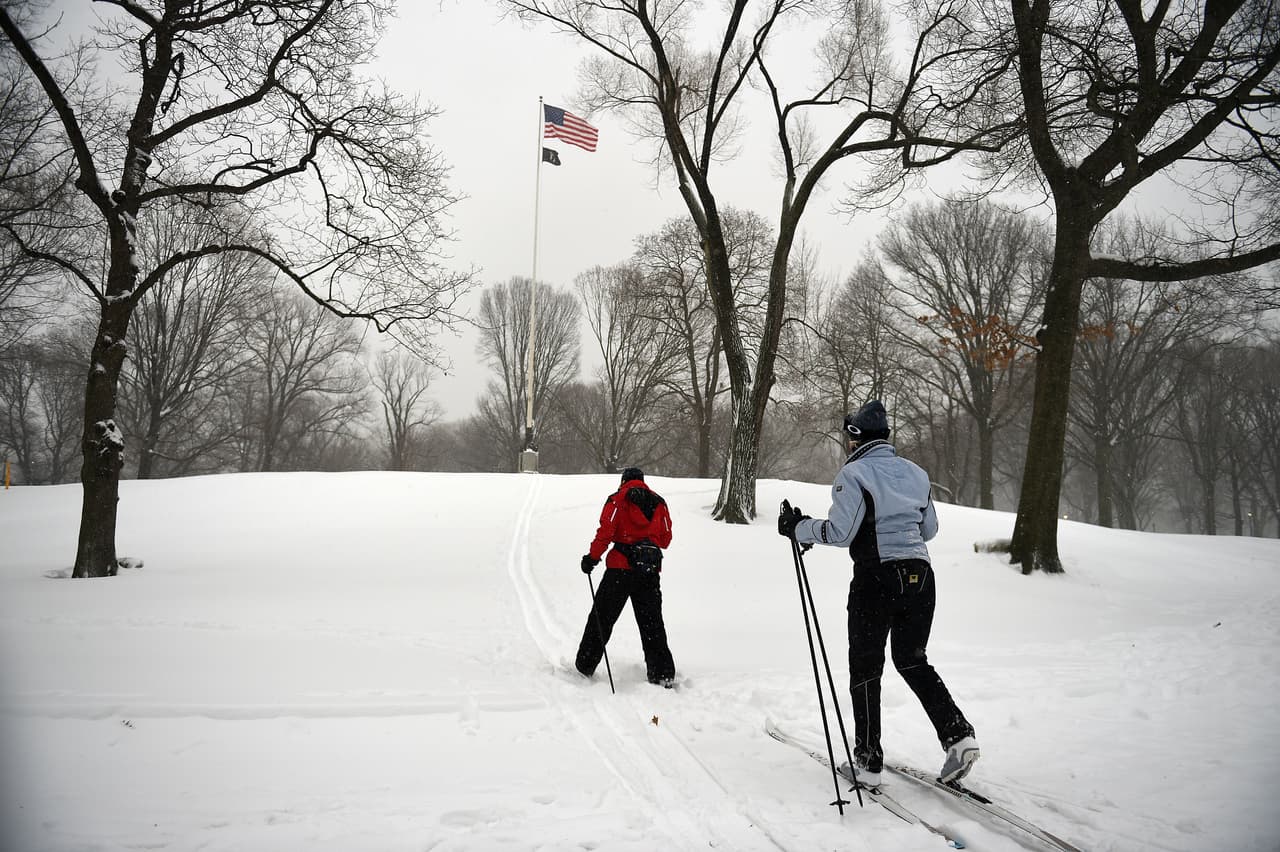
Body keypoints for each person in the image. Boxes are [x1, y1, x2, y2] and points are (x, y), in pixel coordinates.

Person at [778, 400, 978, 788]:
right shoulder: (917, 474)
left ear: (855, 437)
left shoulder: (854, 474)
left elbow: (839, 533)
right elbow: (929, 529)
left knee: (866, 667)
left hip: (876, 579)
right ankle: (958, 736)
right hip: (921, 575)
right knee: (912, 660)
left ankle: (868, 758)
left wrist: (798, 527)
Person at [576, 467, 677, 687]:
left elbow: (605, 533)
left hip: (619, 571)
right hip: (648, 572)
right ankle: (662, 672)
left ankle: (585, 664)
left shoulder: (617, 500)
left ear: (623, 481)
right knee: (652, 623)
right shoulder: (659, 502)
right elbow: (666, 539)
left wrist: (591, 559)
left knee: (602, 618)